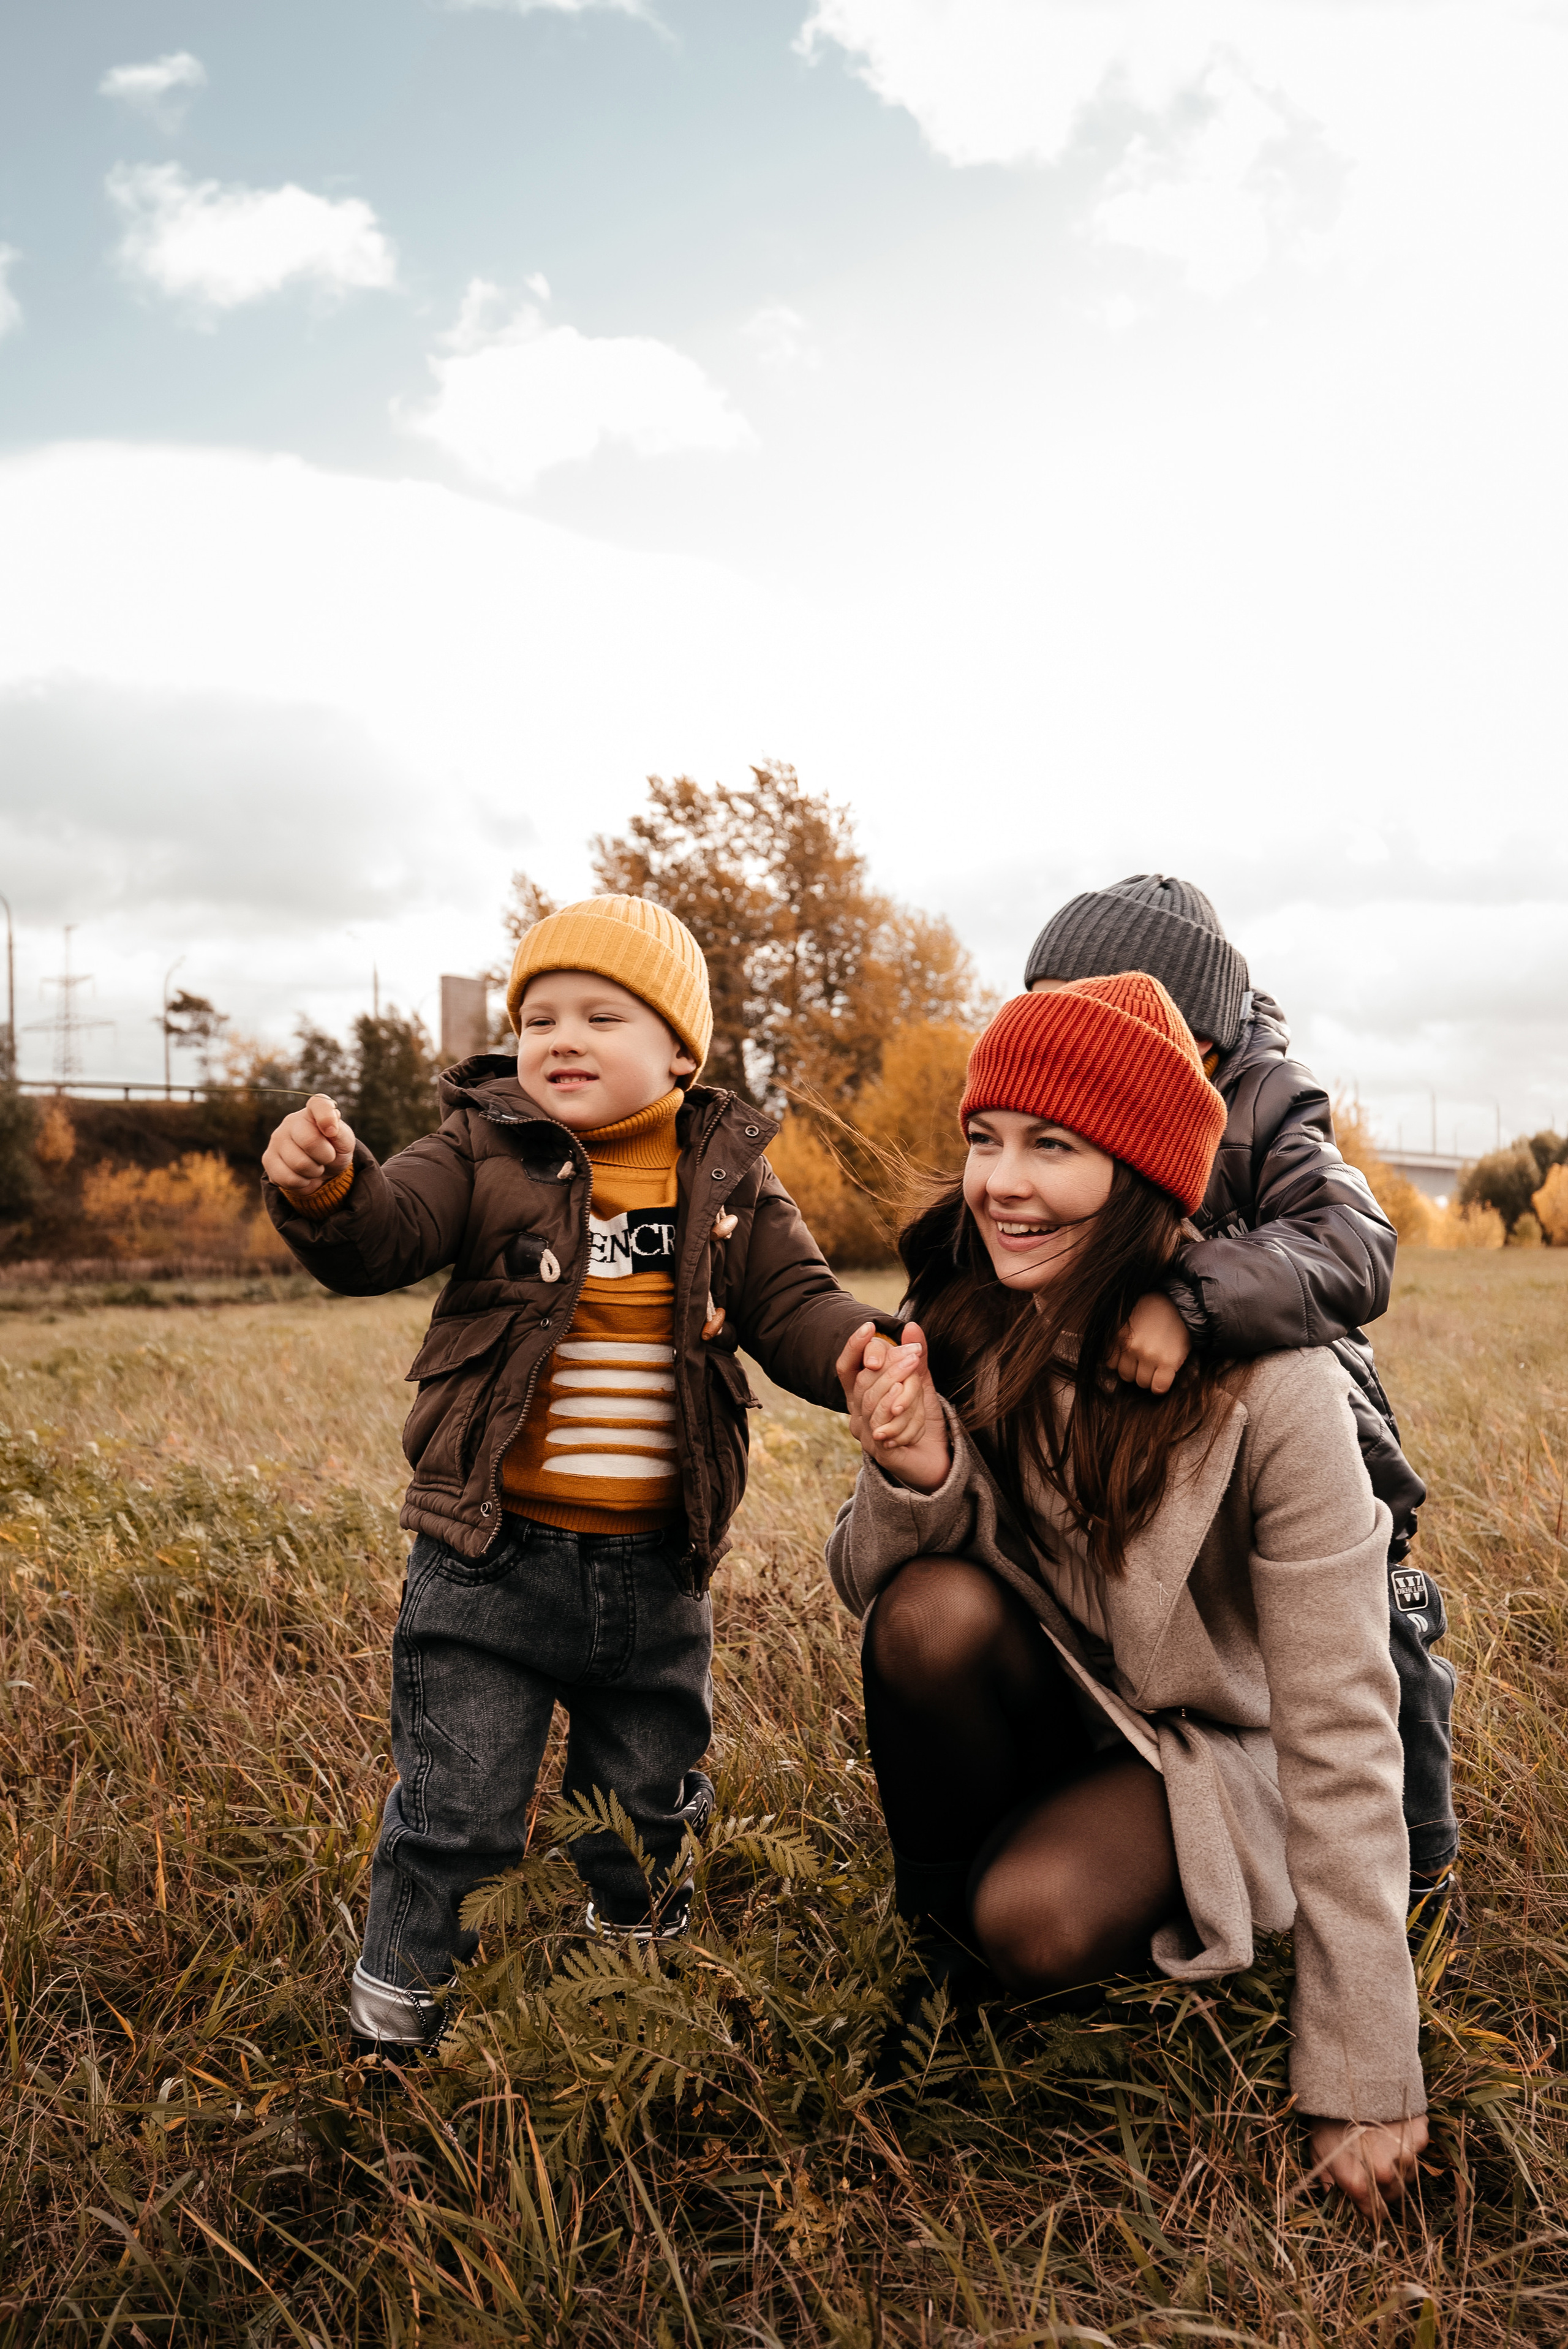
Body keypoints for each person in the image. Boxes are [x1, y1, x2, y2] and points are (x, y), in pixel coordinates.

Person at [260, 894, 902, 2056]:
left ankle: (631, 1992)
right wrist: (331, 1190)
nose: (561, 1038)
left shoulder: (730, 1176)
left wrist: (859, 1347)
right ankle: (396, 2017)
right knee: (457, 1809)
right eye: (538, 1017)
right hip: (487, 1559)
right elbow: (389, 1231)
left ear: (680, 1052)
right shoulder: (480, 1146)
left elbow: (793, 1301)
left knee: (645, 1806)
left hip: (658, 1569)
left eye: (602, 1017)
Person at [828, 976, 1428, 2217]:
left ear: (1142, 1170)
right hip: (1066, 1696)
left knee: (1036, 1920)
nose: (1000, 1183)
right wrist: (918, 1469)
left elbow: (1339, 1721)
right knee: (927, 1614)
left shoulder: (1280, 1388)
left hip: (1218, 1748)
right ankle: (936, 1976)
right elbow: (867, 1588)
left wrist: (1363, 2061)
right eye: (984, 1139)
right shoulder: (973, 1317)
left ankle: (1008, 1928)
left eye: (1051, 1146)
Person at [1021, 875, 1457, 1937]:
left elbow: (1354, 1241)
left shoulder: (1265, 1100)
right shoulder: (1052, 1118)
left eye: (1093, 1025)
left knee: (1368, 1638)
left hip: (1307, 1431)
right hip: (1152, 1436)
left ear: (1196, 1041)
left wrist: (1191, 1299)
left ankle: (1420, 1858)